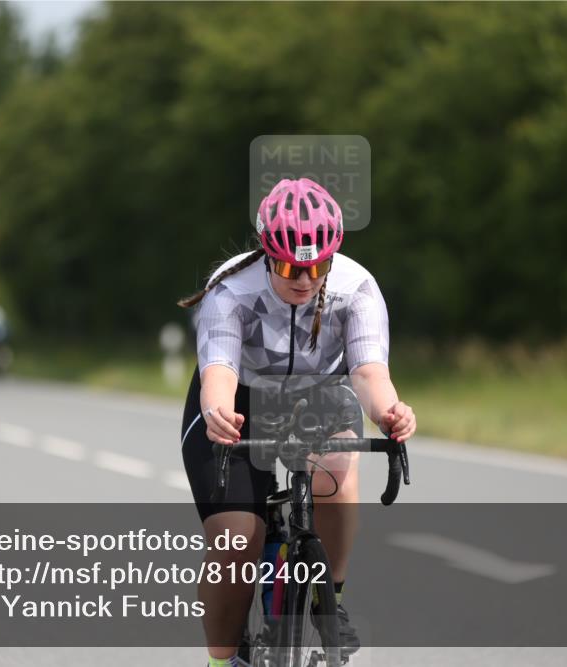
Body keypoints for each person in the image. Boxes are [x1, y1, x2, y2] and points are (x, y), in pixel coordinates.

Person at [178, 178, 417, 667]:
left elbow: (370, 372)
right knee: (236, 540)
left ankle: (331, 596)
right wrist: (219, 412)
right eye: (289, 266)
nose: (304, 280)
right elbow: (218, 370)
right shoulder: (232, 289)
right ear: (267, 253)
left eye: (316, 266)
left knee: (337, 470)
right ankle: (221, 660)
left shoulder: (357, 290)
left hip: (320, 395)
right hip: (240, 398)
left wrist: (389, 410)